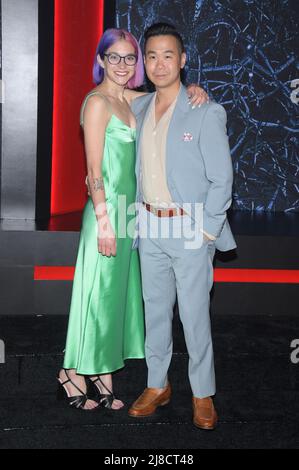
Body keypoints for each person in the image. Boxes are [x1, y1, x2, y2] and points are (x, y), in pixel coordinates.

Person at [57, 28, 207, 411]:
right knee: (95, 294)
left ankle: (101, 373)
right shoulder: (96, 103)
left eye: (129, 58)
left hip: (130, 215)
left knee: (112, 298)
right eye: (114, 57)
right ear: (101, 61)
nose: (122, 65)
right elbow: (93, 171)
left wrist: (194, 92)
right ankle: (72, 373)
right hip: (106, 215)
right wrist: (104, 222)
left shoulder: (129, 100)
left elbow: (166, 97)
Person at [128, 23, 237, 430]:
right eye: (151, 56)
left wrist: (206, 232)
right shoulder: (138, 108)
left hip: (190, 231)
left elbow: (222, 180)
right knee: (155, 313)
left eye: (167, 55)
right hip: (149, 227)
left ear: (183, 60)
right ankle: (157, 385)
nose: (159, 64)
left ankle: (202, 393)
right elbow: (105, 94)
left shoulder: (205, 110)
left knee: (194, 317)